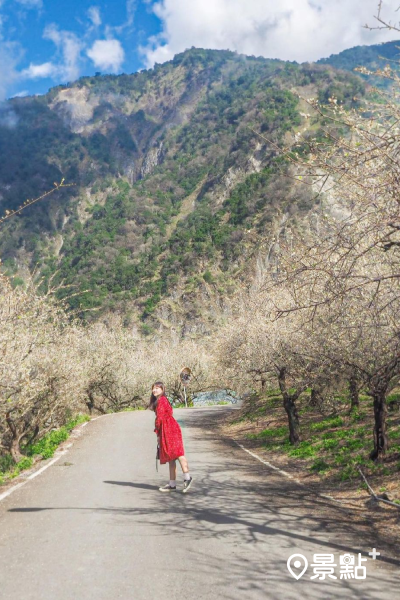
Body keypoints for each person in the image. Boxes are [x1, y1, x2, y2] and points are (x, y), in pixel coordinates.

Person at [148, 381, 193, 493]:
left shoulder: (162, 400)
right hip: (167, 429)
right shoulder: (159, 400)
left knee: (178, 454)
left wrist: (157, 433)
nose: (155, 390)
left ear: (163, 389)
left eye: (157, 388)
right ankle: (172, 484)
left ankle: (187, 478)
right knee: (171, 457)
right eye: (154, 388)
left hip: (170, 430)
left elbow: (160, 419)